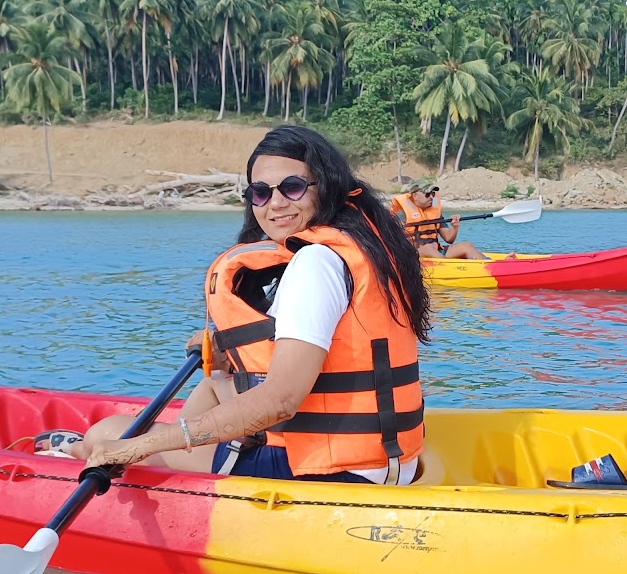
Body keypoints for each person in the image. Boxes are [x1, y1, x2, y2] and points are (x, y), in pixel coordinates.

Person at [71, 125, 431, 484]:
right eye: (260, 192)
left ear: (327, 186)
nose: (275, 204)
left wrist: (147, 444)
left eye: (292, 187)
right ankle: (169, 456)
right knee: (214, 382)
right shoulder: (366, 247)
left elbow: (280, 402)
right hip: (391, 459)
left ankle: (73, 452)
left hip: (334, 473)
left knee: (107, 434)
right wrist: (230, 348)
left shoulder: (315, 263)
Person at [390, 179, 486, 260]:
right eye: (427, 194)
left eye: (432, 194)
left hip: (436, 251)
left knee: (466, 245)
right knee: (428, 248)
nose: (431, 197)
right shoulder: (401, 215)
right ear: (415, 196)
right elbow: (389, 240)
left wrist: (454, 227)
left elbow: (449, 239)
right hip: (413, 255)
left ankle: (490, 267)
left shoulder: (435, 213)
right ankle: (448, 270)